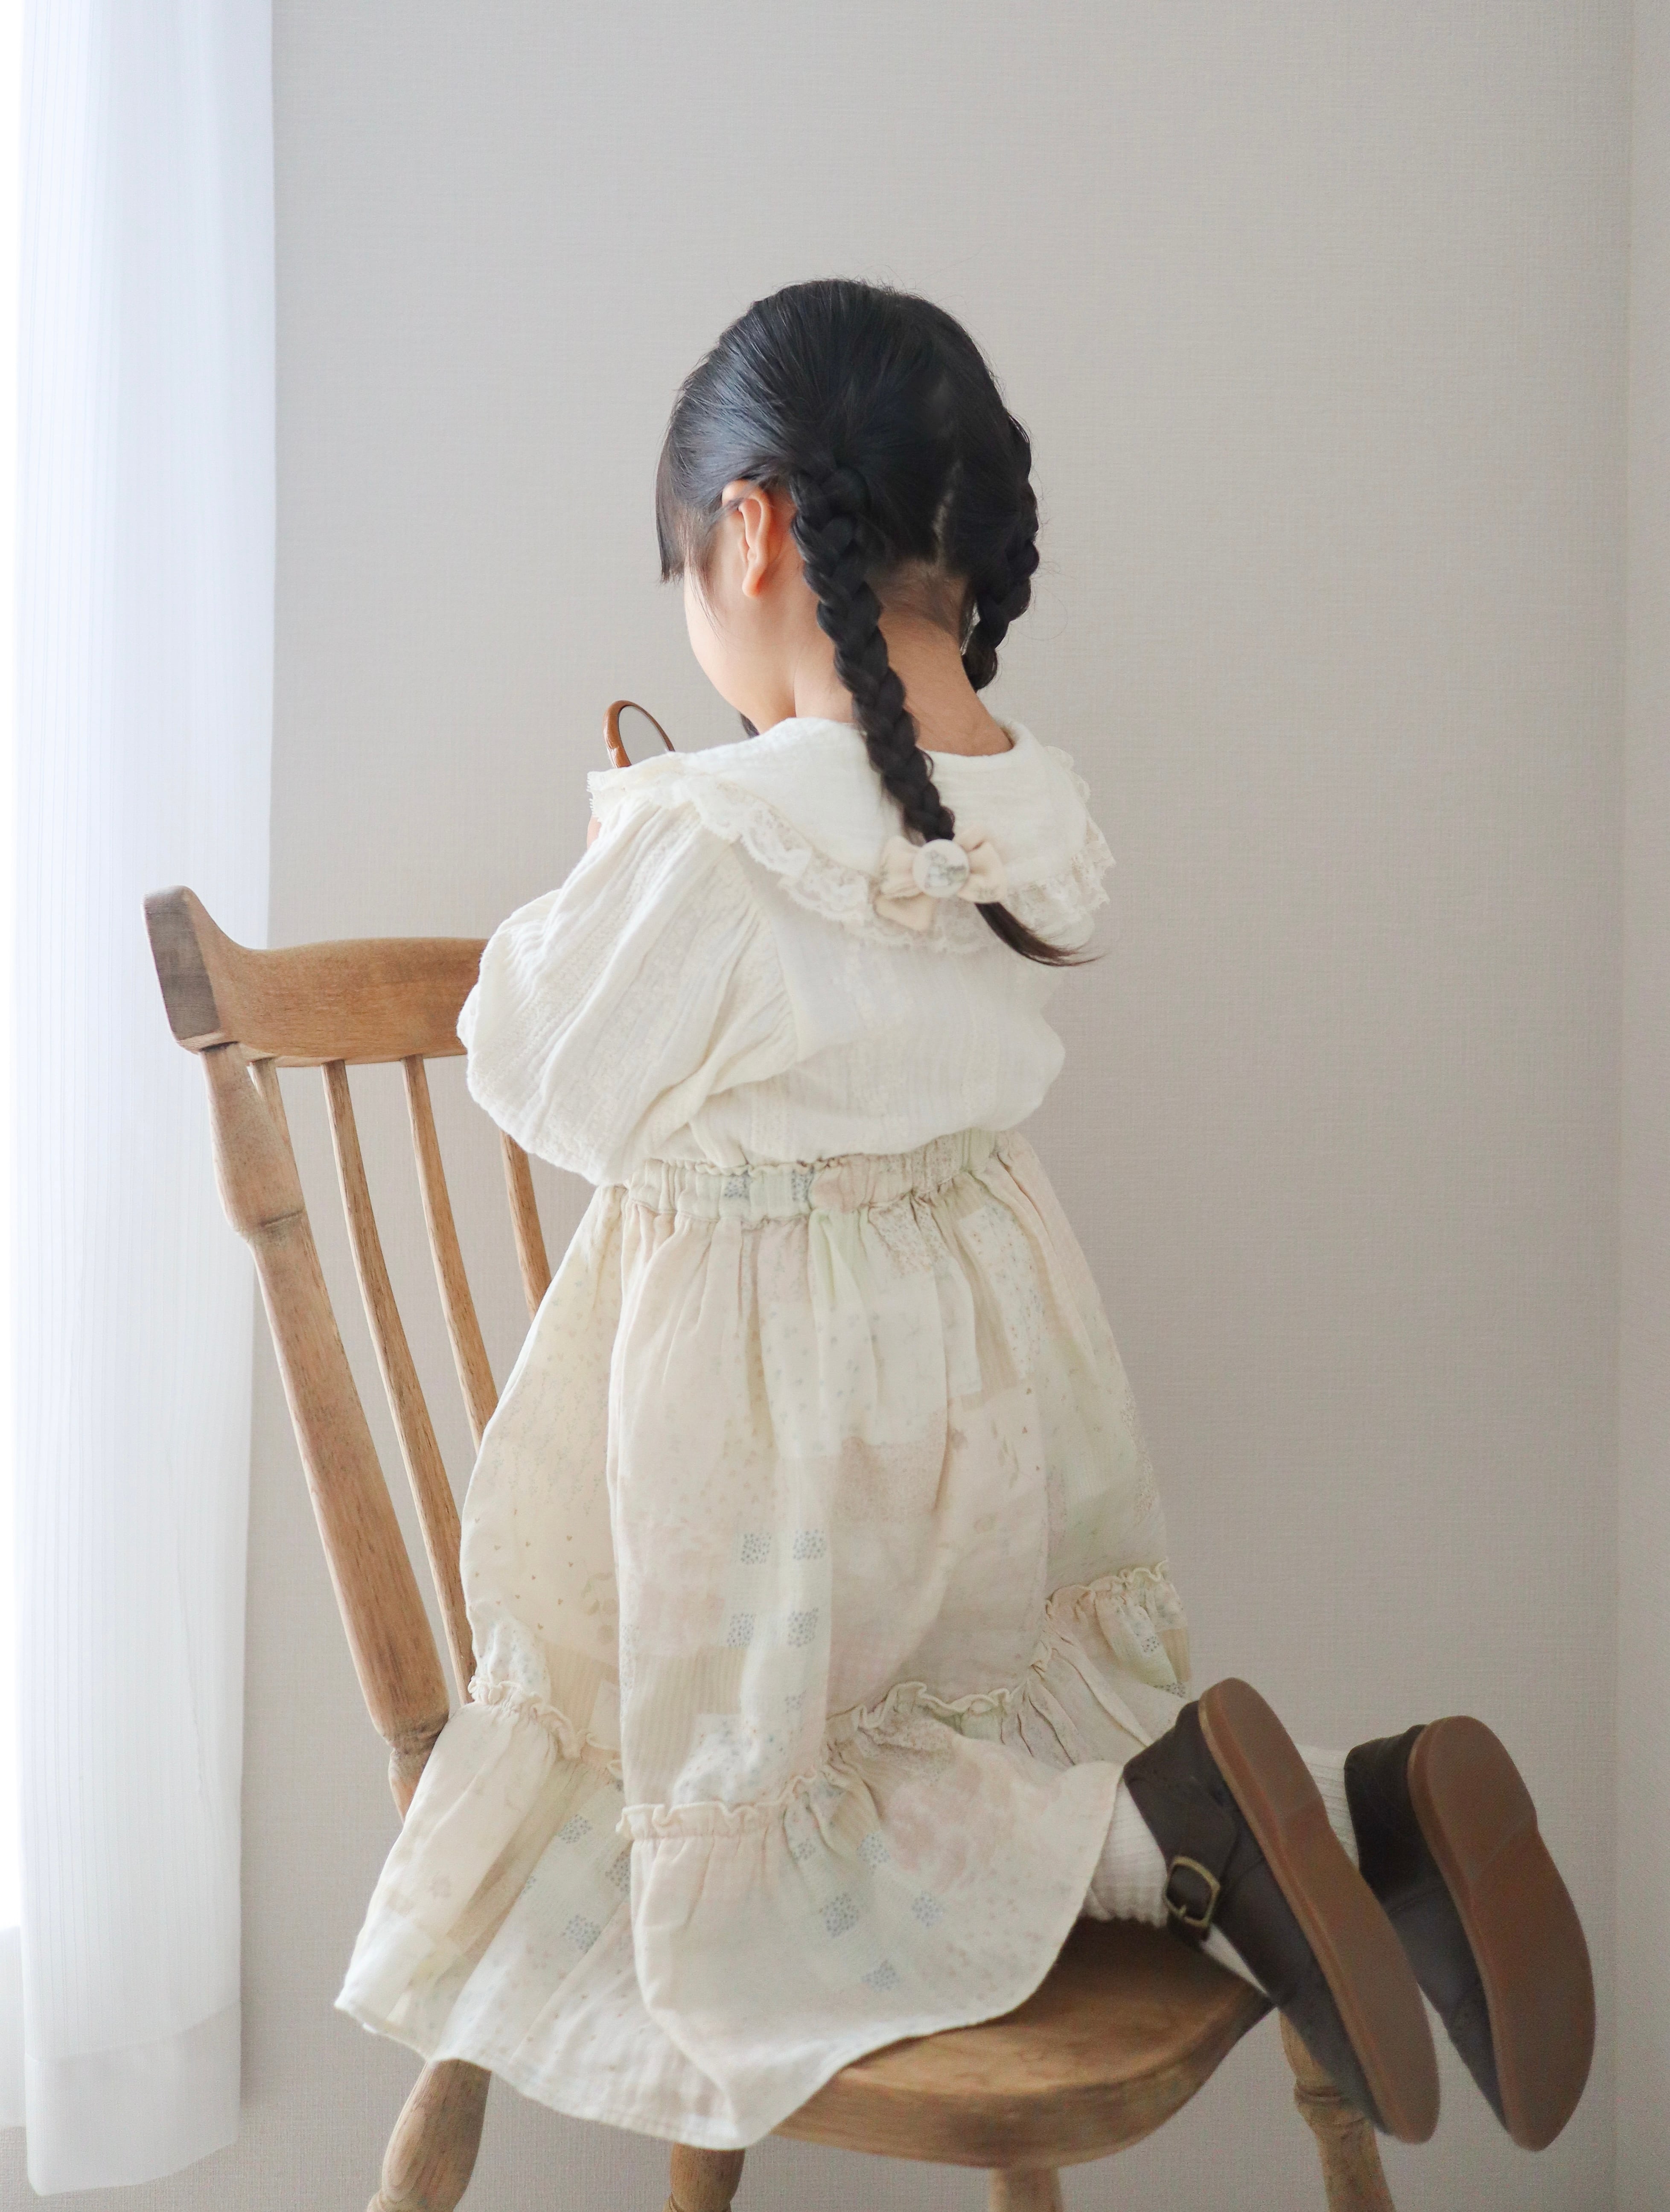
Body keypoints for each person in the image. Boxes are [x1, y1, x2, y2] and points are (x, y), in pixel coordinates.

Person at [338, 278, 1592, 2156]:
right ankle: (1355, 1805)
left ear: (751, 527)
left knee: (782, 1834)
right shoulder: (1028, 815)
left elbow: (540, 1074)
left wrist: (621, 842)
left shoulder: (715, 833)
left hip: (770, 1444)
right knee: (957, 1727)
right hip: (994, 1407)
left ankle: (1176, 1835)